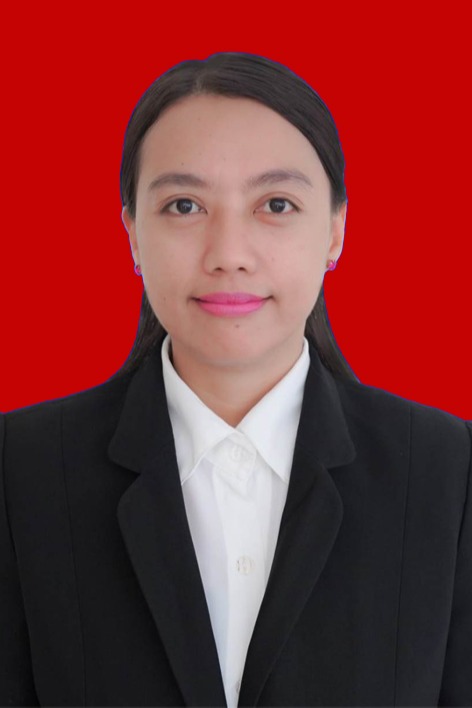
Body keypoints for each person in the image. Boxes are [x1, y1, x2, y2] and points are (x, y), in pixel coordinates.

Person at [0, 52, 470, 708]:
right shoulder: (21, 469)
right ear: (132, 231)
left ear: (335, 230)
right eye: (184, 205)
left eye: (276, 204)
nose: (228, 255)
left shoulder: (448, 472)